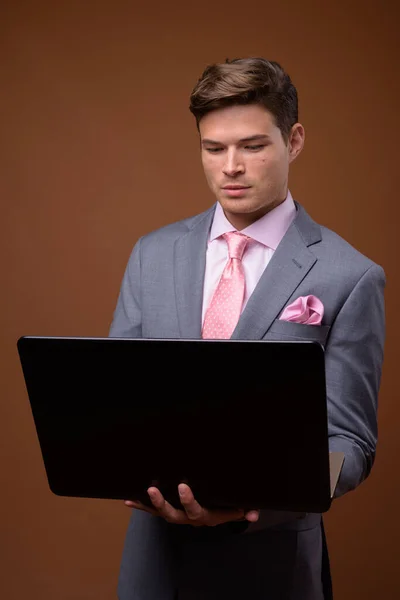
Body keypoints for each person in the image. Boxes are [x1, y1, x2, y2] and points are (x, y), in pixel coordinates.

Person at [109, 57, 385, 600]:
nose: (230, 166)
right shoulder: (151, 254)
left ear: (295, 140)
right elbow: (119, 401)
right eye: (214, 148)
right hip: (155, 563)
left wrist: (259, 499)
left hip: (273, 565)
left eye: (253, 146)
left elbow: (350, 442)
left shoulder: (351, 276)